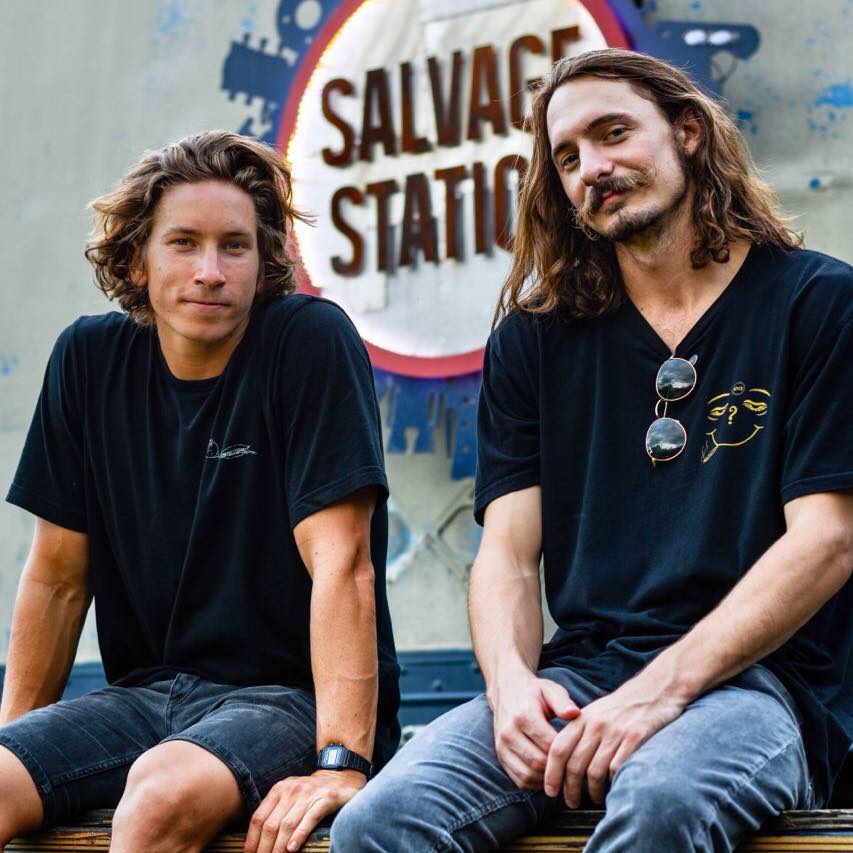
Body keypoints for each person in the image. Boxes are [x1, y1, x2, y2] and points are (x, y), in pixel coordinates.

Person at [331, 48, 853, 852]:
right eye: (566, 156)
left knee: (660, 801)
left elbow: (826, 540)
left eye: (613, 134)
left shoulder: (816, 303)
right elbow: (505, 553)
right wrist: (508, 689)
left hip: (762, 683)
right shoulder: (534, 341)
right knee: (380, 821)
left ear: (686, 133)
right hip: (580, 678)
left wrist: (657, 693)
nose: (591, 168)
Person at [0, 131, 400, 853]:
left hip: (286, 699)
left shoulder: (306, 341)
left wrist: (340, 760)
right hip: (144, 694)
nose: (210, 271)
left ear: (265, 259)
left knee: (160, 794)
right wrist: (18, 748)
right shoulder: (87, 362)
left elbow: (342, 562)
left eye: (235, 246)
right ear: (136, 260)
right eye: (183, 243)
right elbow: (58, 579)